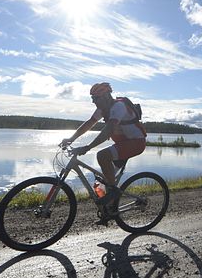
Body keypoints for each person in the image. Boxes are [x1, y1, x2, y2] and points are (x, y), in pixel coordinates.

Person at [60, 82, 146, 215]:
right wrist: (71, 139)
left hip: (136, 143)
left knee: (102, 155)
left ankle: (113, 191)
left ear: (106, 96)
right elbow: (89, 123)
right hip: (122, 145)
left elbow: (108, 130)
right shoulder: (103, 108)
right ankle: (110, 210)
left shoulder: (119, 107)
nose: (93, 101)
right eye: (92, 98)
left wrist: (88, 147)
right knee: (100, 183)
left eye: (96, 98)